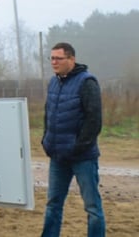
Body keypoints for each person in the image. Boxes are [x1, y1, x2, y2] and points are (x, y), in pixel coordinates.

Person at [41, 42, 106, 237]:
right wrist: (46, 140)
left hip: (83, 157)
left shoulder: (87, 82)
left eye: (58, 58)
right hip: (58, 157)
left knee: (92, 207)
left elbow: (94, 120)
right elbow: (48, 114)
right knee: (53, 204)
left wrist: (78, 147)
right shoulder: (53, 82)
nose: (54, 62)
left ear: (71, 59)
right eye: (52, 58)